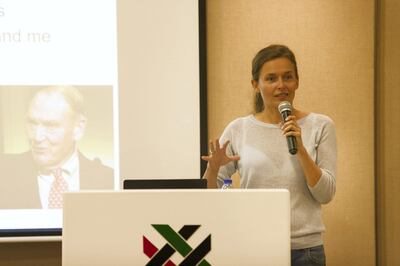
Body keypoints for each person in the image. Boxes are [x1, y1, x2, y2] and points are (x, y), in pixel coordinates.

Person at [201, 44, 337, 266]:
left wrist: (300, 148)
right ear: (256, 84)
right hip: (253, 248)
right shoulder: (238, 129)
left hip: (305, 252)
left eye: (288, 77)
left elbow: (326, 194)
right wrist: (214, 168)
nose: (281, 85)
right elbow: (209, 197)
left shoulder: (320, 125)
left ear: (297, 81)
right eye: (271, 78)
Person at [0, 86, 114, 209]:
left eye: (51, 126)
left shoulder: (109, 180)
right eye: (32, 123)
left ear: (78, 128)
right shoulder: (4, 172)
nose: (37, 137)